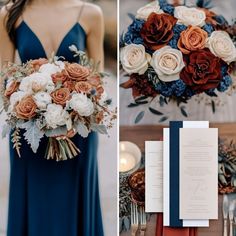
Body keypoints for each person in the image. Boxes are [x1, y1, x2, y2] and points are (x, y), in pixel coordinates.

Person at [0, 0, 104, 235]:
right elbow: (3, 80)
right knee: (34, 200)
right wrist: (31, 103)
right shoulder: (9, 14)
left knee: (74, 199)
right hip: (28, 132)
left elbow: (98, 81)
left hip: (76, 132)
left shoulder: (90, 13)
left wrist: (73, 107)